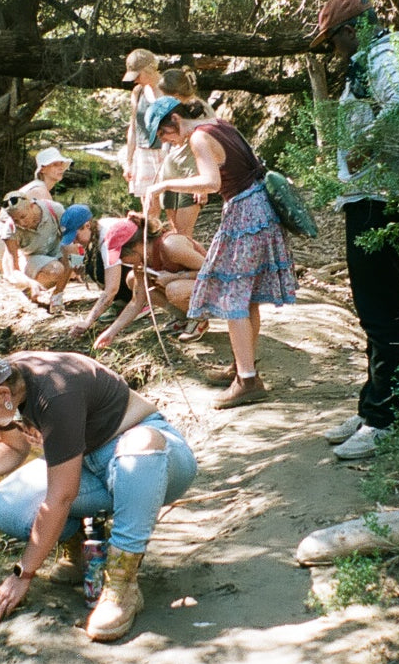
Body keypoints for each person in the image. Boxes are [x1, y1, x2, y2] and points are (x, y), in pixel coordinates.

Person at [0, 344, 198, 641]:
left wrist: (22, 574)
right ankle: (79, 550)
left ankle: (121, 585)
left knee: (139, 447)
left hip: (156, 462)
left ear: (2, 395)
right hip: (88, 463)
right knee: (6, 507)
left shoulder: (55, 393)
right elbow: (13, 446)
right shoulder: (6, 384)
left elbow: (61, 497)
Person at [310, 0, 399, 460]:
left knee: (384, 312)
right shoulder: (371, 59)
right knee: (374, 311)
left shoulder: (385, 58)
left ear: (352, 30)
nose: (333, 51)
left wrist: (365, 147)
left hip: (383, 201)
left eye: (333, 41)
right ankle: (372, 405)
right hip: (369, 198)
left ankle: (384, 421)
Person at [142, 95, 297, 409]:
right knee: (247, 297)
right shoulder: (220, 124)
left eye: (163, 134)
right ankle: (242, 366)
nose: (166, 141)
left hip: (245, 215)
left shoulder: (199, 137)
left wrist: (163, 186)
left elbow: (211, 183)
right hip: (261, 209)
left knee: (232, 297)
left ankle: (248, 381)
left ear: (175, 119)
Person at [94, 213, 206, 347]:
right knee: (132, 278)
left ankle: (199, 319)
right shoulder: (142, 260)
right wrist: (111, 332)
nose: (122, 261)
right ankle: (183, 317)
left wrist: (176, 277)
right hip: (192, 288)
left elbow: (213, 272)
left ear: (136, 247)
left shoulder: (171, 246)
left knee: (174, 289)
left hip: (217, 290)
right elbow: (136, 302)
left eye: (121, 256)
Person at [0, 191, 70, 315]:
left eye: (23, 217)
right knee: (56, 270)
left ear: (32, 206)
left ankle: (57, 295)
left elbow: (71, 238)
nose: (21, 223)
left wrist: (76, 264)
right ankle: (29, 292)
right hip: (31, 259)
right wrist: (30, 283)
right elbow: (14, 270)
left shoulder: (54, 209)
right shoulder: (10, 230)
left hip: (55, 251)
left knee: (74, 253)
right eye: (15, 220)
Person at [156, 68, 215, 236]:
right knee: (175, 233)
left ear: (175, 94)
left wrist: (202, 187)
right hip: (170, 173)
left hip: (191, 176)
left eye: (165, 95)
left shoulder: (201, 111)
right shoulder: (173, 109)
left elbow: (208, 147)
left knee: (184, 235)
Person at [122, 49, 164, 205]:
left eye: (137, 76)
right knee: (149, 205)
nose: (135, 80)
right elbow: (133, 127)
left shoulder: (170, 88)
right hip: (144, 152)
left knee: (171, 204)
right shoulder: (138, 92)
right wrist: (128, 162)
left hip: (167, 151)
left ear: (149, 69)